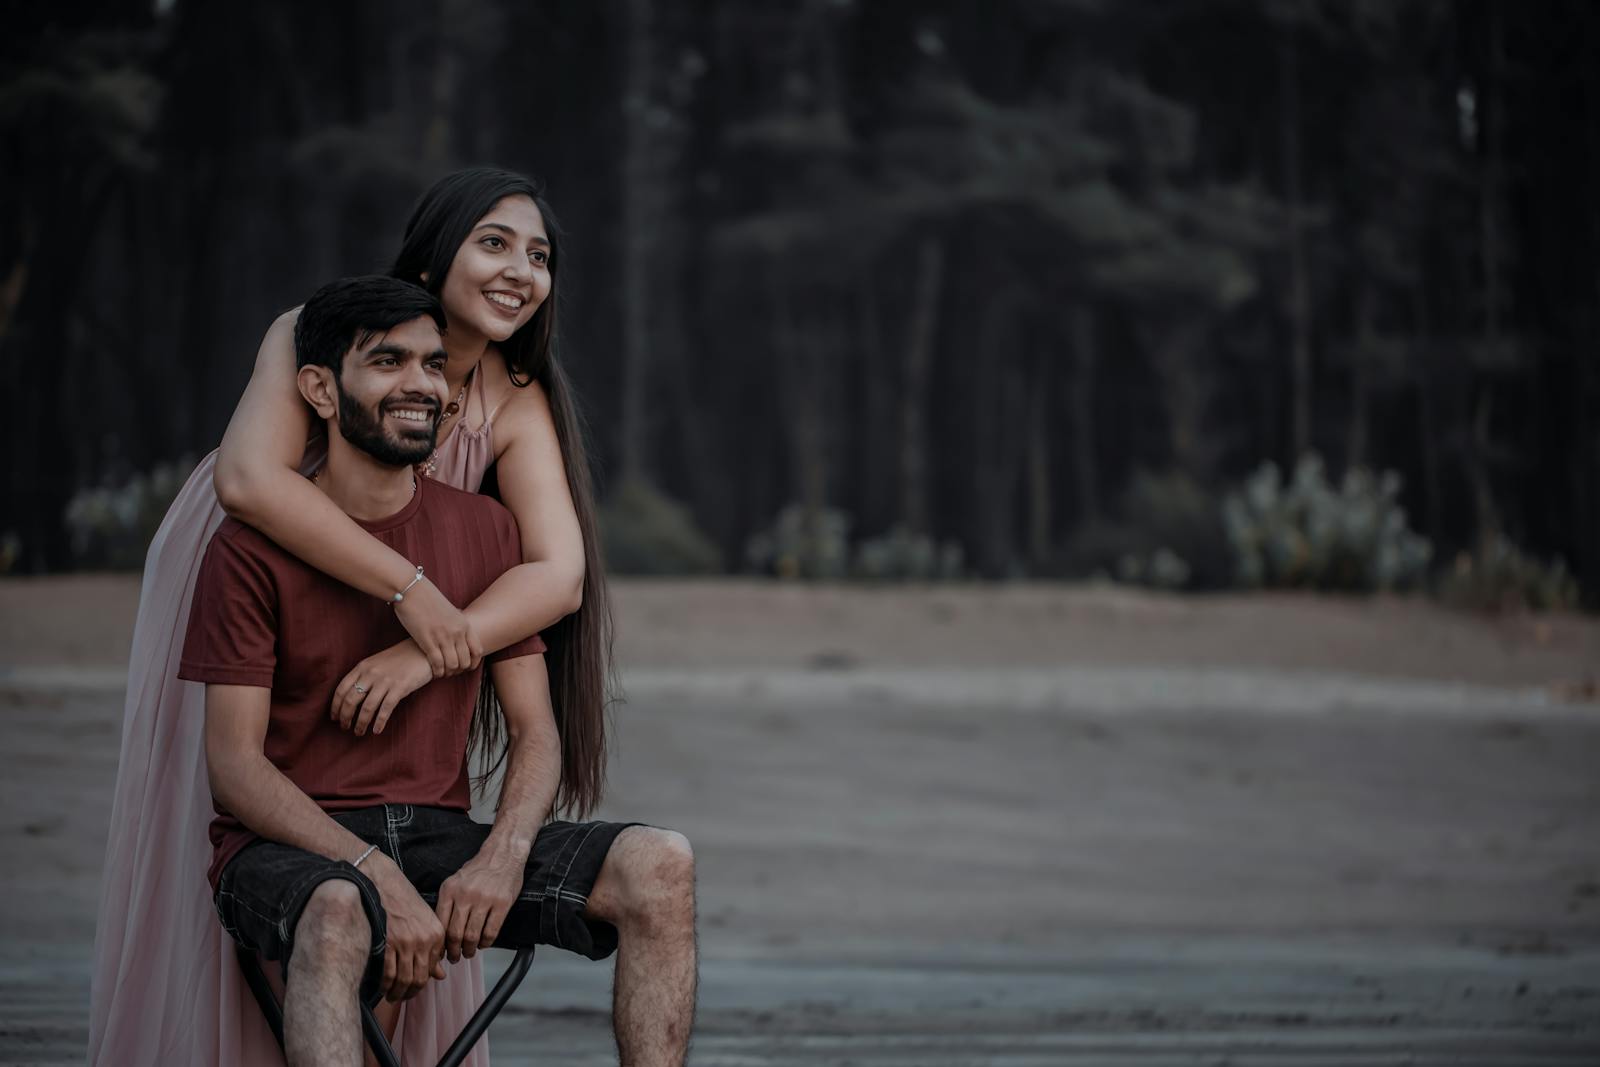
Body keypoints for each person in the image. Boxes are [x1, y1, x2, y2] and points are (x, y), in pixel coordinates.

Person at [86, 169, 660, 1066]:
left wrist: (426, 654)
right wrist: (415, 594)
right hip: (268, 557)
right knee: (226, 795)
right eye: (494, 243)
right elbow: (251, 484)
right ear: (438, 254)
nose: (520, 270)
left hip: (397, 597)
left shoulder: (516, 394)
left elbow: (558, 575)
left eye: (539, 255)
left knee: (384, 798)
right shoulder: (319, 327)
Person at [183, 275, 694, 1067]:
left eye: (431, 364)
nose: (421, 382)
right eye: (388, 361)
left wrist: (503, 853)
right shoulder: (246, 549)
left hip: (438, 837)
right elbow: (234, 768)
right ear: (318, 389)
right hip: (289, 851)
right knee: (337, 910)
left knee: (661, 863)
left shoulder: (488, 531)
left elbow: (534, 734)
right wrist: (370, 871)